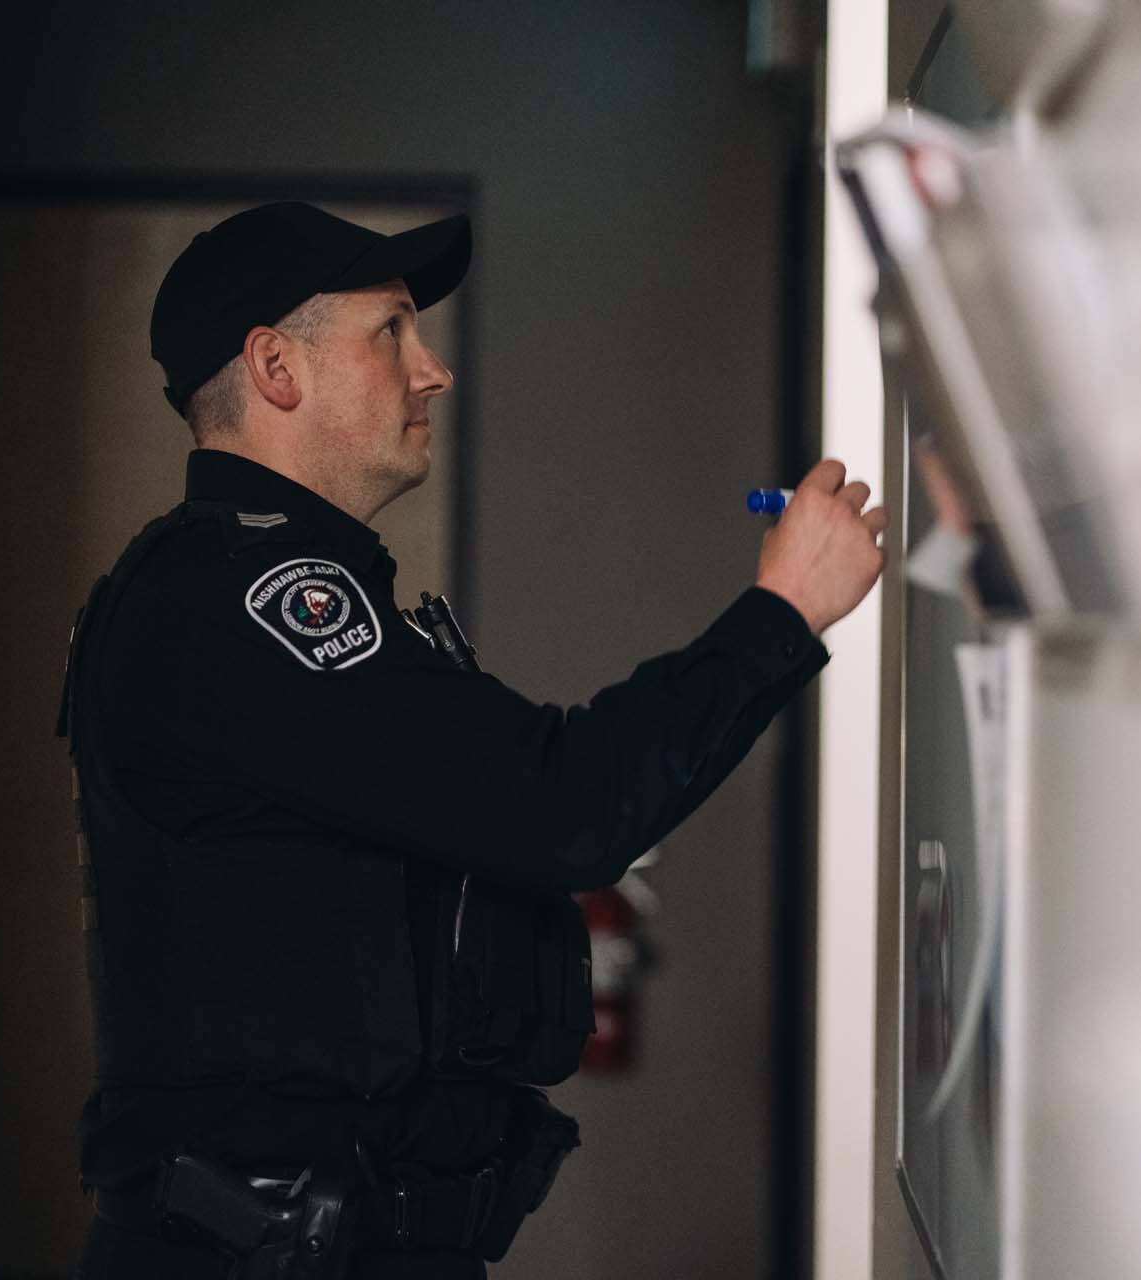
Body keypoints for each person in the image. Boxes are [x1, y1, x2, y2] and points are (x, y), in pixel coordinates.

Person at [59, 201, 885, 1279]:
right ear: (275, 368)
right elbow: (563, 806)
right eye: (391, 330)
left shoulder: (235, 591)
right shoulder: (244, 602)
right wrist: (783, 611)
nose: (431, 368)